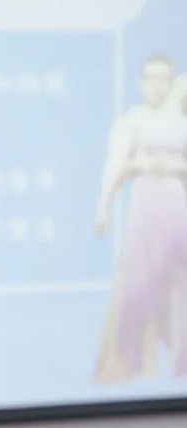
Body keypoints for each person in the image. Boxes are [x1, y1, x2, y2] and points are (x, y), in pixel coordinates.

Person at [93, 54, 187, 382]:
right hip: (146, 206)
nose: (158, 85)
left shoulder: (182, 122)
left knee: (181, 284)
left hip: (178, 206)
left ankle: (180, 363)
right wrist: (103, 205)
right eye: (152, 78)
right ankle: (130, 360)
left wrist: (171, 166)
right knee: (136, 284)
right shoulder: (133, 120)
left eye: (165, 78)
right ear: (142, 83)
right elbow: (116, 166)